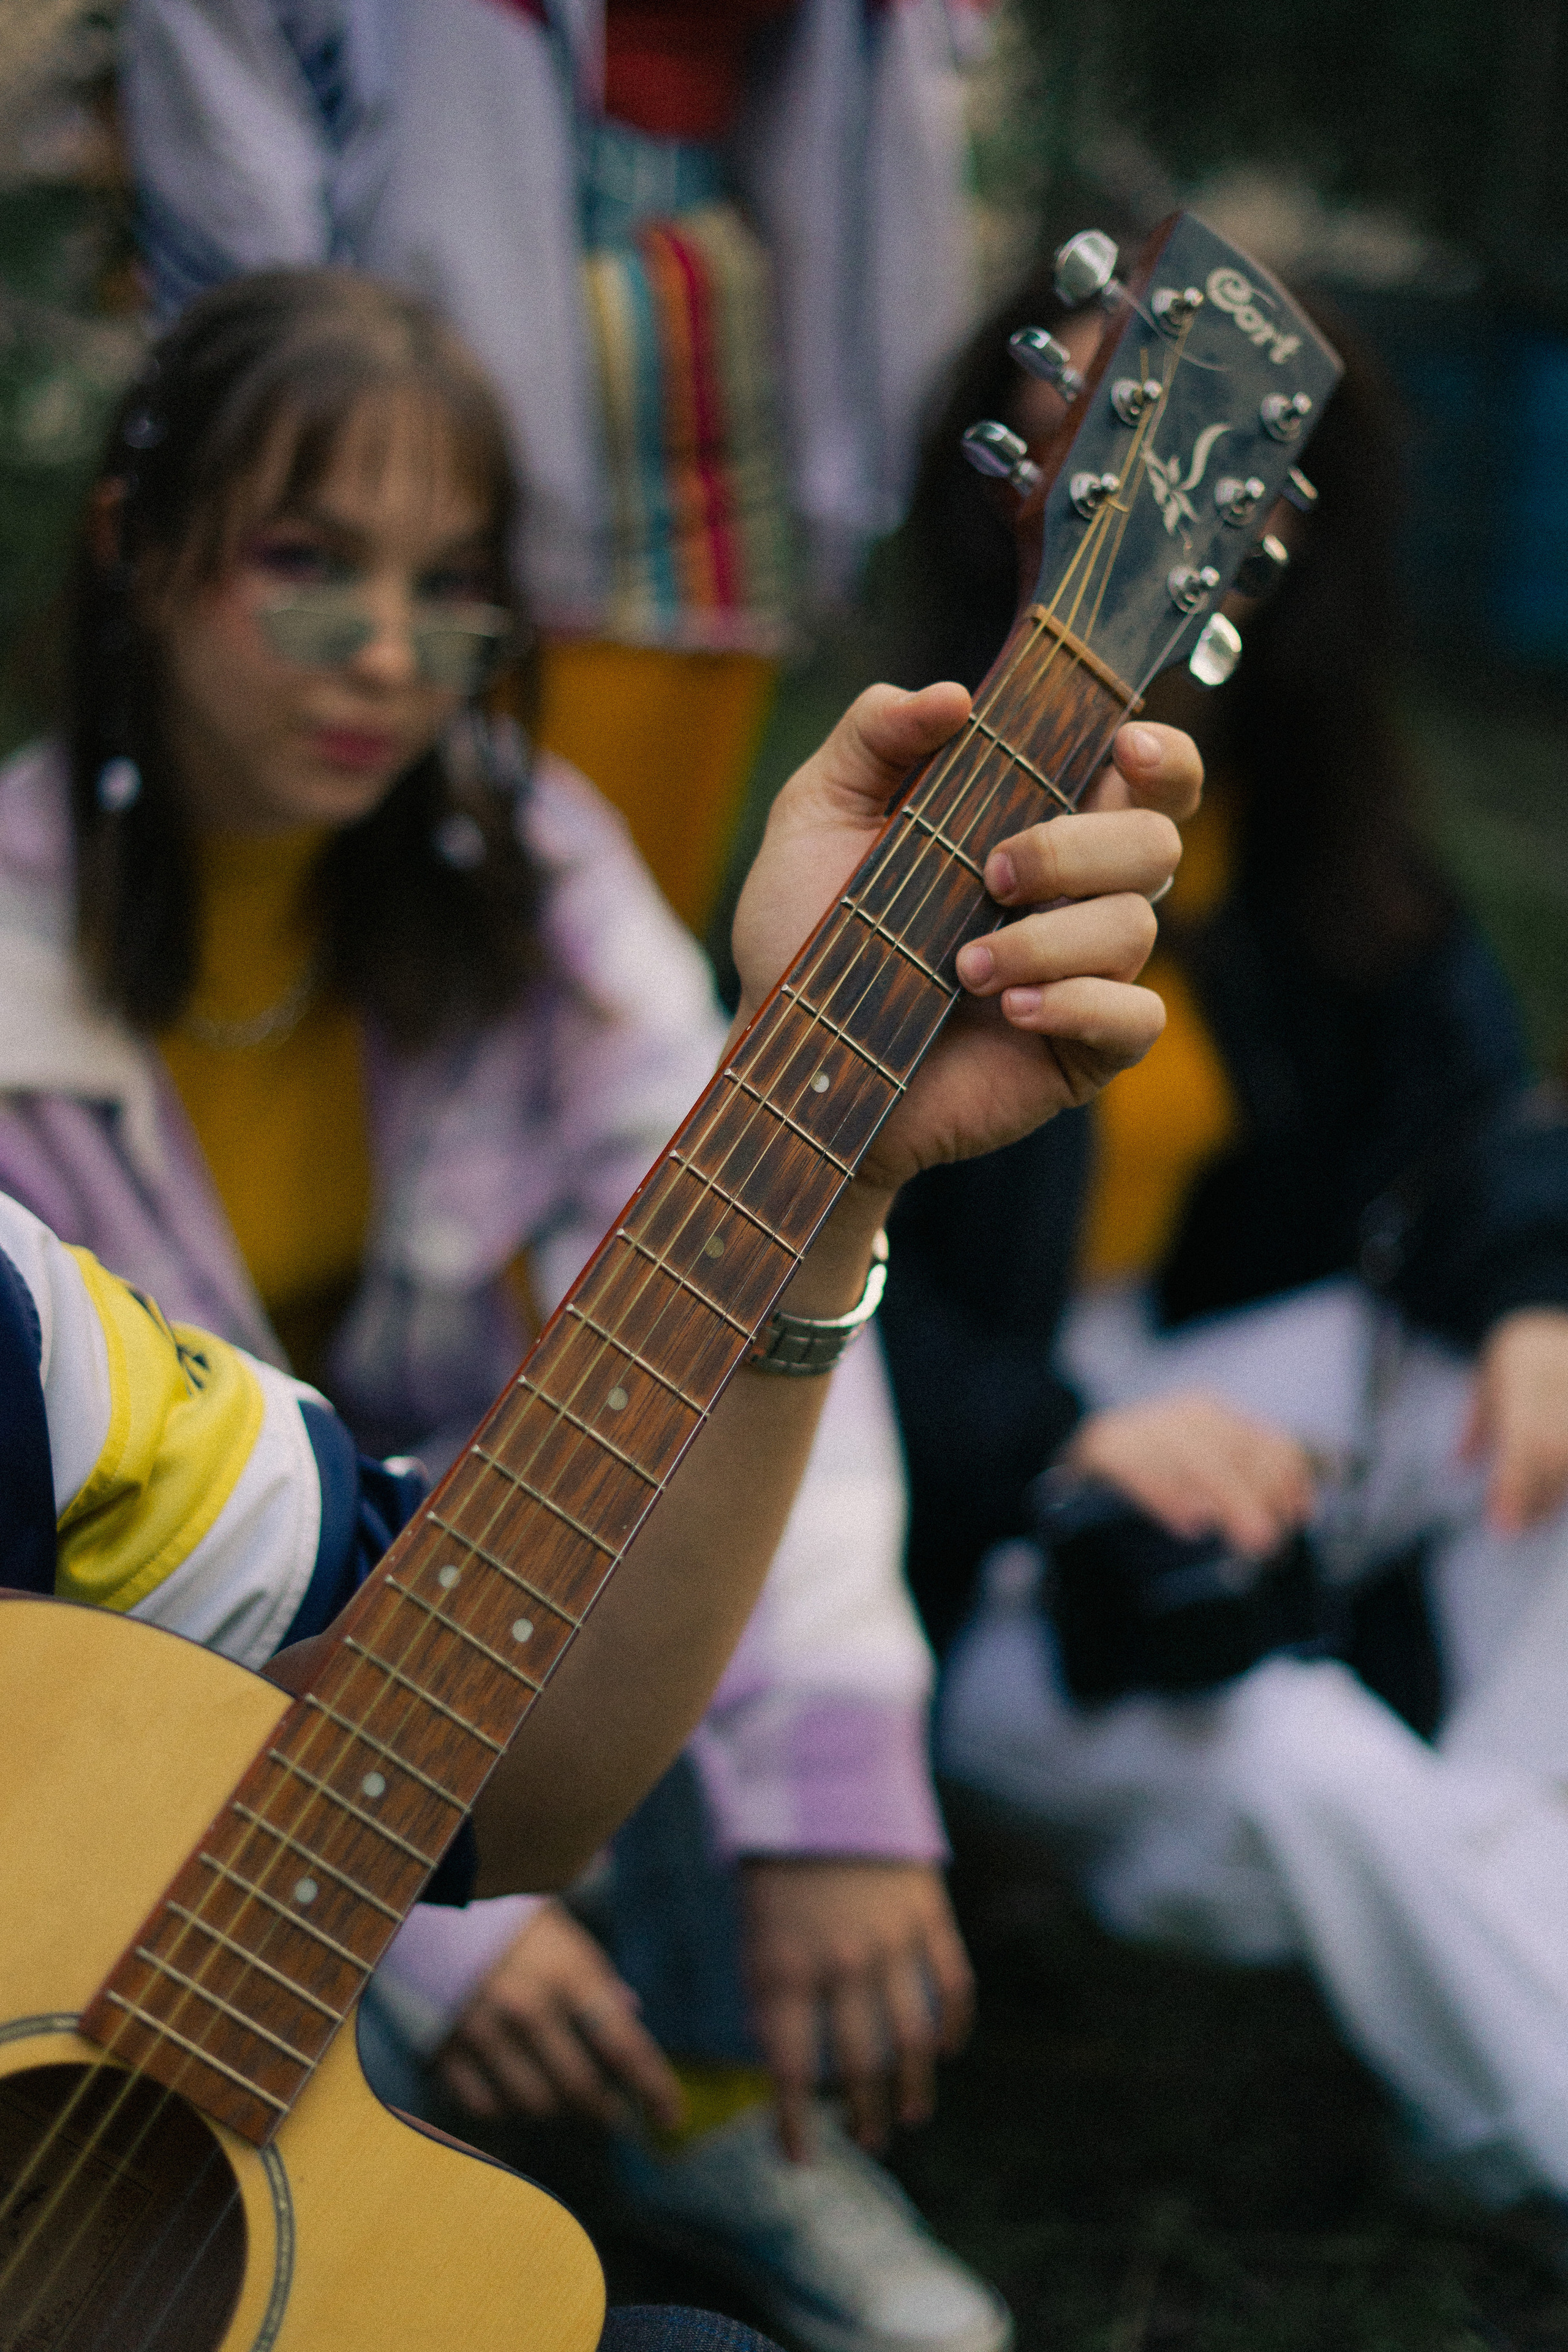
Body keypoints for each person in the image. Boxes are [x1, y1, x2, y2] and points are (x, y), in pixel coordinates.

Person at [0, 264, 1196, 2347]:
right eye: (307, 565)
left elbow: (731, 1248)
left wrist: (841, 1783)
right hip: (117, 1815)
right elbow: (84, 1662)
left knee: (604, 1494)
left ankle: (746, 2138)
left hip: (446, 1619)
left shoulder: (536, 876)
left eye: (453, 587)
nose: (386, 655)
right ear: (138, 541)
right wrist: (430, 1940)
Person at [877, 246, 1568, 2228]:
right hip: (978, 1540)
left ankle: (1481, 1943)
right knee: (1292, 1769)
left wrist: (1528, 1301)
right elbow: (782, 1326)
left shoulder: (1302, 817)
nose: (1158, 491)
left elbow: (1474, 1132)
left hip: (1254, 1426)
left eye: (1226, 458)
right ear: (1003, 459)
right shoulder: (894, 821)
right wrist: (1057, 1445)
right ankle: (1513, 2044)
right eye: (1098, 432)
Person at [122, 0, 986, 932]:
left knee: (609, 927)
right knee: (344, 852)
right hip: (414, 334)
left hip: (719, 349)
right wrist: (302, 395)